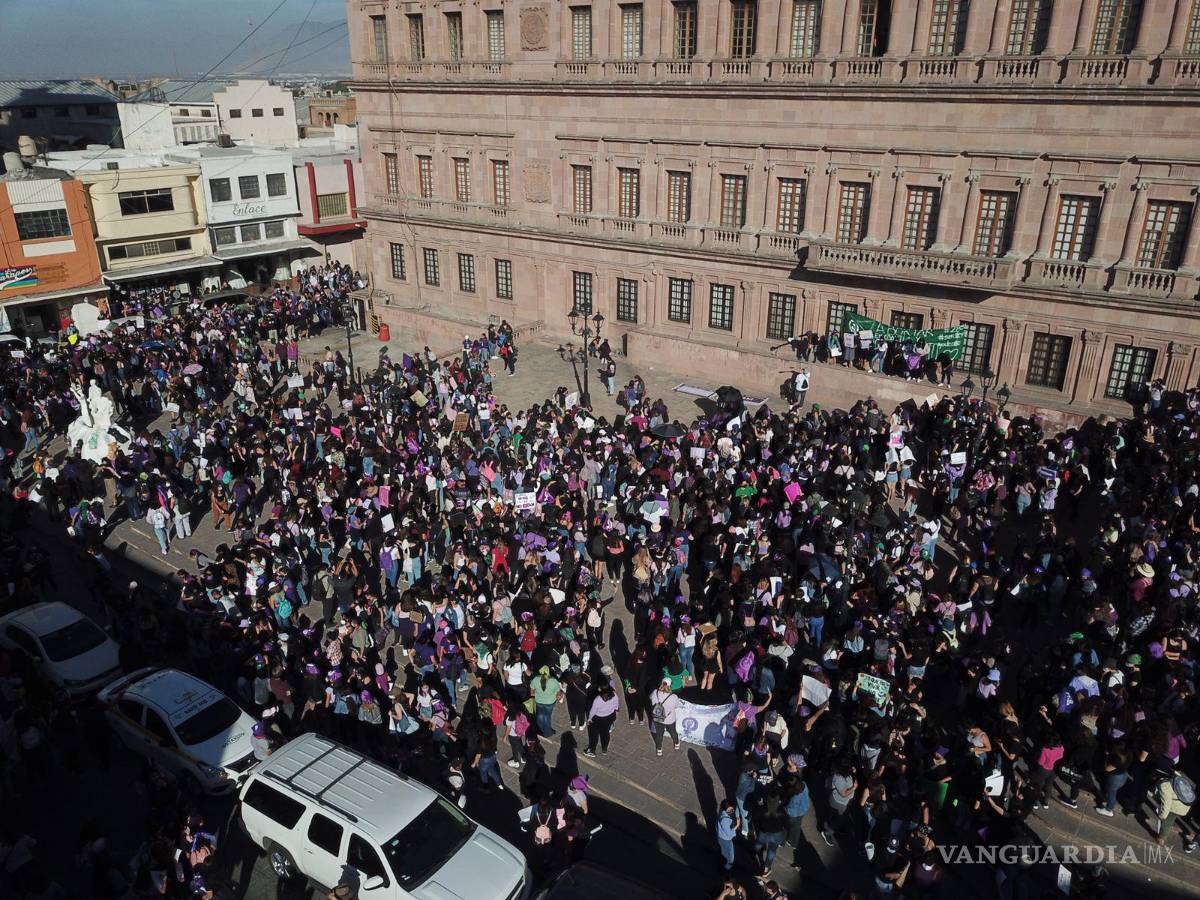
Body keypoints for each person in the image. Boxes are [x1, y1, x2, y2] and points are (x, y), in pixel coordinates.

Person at [648, 677, 681, 756]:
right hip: (669, 719)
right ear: (670, 685)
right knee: (673, 731)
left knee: (659, 734)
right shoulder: (673, 697)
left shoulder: (655, 692)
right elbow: (676, 706)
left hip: (657, 718)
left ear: (661, 683)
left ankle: (659, 749)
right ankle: (676, 743)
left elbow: (650, 698)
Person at [716, 799, 739, 872]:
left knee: (725, 854)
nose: (731, 811)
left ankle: (724, 867)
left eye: (732, 809)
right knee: (730, 858)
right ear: (724, 809)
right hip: (725, 840)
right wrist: (737, 825)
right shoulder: (725, 820)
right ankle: (726, 870)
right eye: (729, 810)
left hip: (721, 837)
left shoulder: (721, 813)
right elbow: (729, 834)